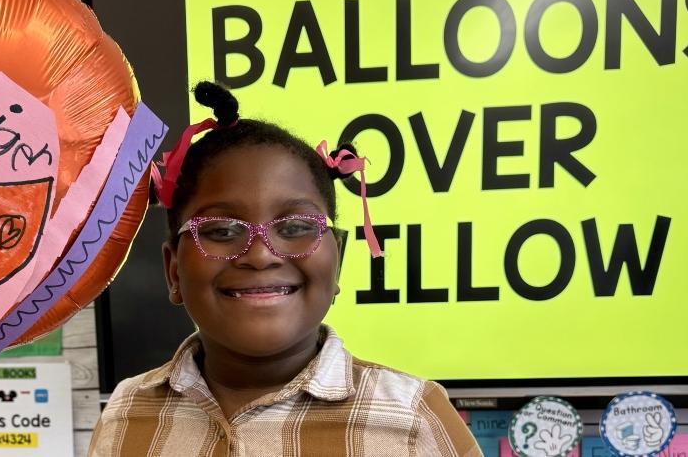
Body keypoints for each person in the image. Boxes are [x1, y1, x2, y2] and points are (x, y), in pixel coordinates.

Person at [89, 82, 481, 456]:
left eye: (295, 228)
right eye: (221, 230)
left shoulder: (414, 421)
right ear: (173, 271)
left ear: (338, 260)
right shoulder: (125, 412)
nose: (261, 255)